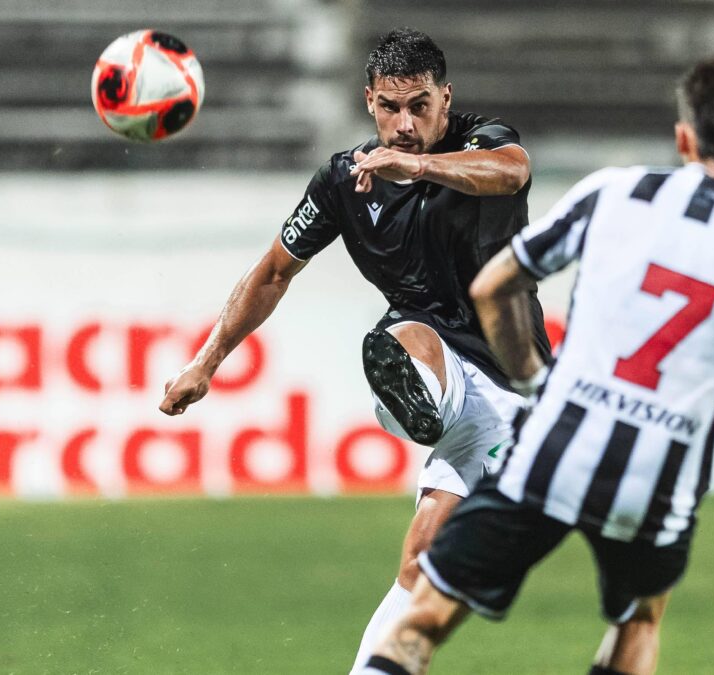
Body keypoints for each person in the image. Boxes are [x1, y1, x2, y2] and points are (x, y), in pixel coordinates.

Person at [359, 51, 714, 675]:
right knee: (638, 618)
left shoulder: (616, 192)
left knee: (424, 623)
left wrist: (532, 382)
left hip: (556, 443)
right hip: (656, 474)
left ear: (684, 136)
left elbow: (493, 285)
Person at [156, 28, 550, 672]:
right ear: (369, 100)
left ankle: (427, 405)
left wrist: (418, 166)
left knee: (423, 562)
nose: (404, 123)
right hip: (431, 358)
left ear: (445, 99)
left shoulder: (482, 141)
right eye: (390, 107)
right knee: (402, 335)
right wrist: (206, 362)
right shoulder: (344, 180)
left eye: (420, 105)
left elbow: (513, 172)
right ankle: (421, 400)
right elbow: (273, 272)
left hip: (514, 384)